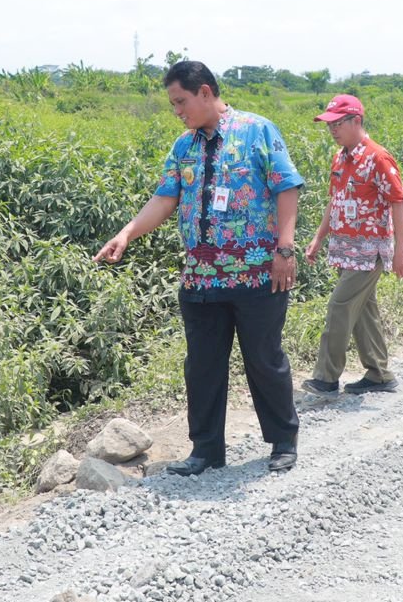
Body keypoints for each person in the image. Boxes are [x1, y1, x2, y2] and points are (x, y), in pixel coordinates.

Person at [94, 60, 305, 475]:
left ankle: (283, 440)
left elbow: (287, 188)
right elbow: (164, 199)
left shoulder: (257, 130)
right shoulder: (183, 146)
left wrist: (285, 250)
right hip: (201, 278)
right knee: (203, 364)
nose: (178, 111)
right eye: (174, 104)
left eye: (181, 102)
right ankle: (206, 450)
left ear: (206, 92)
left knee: (264, 358)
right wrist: (125, 234)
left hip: (258, 273)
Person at [299, 94, 403, 397]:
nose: (332, 130)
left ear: (356, 122)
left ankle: (325, 378)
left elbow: (398, 203)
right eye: (329, 124)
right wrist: (319, 238)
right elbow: (334, 201)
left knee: (339, 307)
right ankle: (379, 374)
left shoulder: (378, 157)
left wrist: (401, 250)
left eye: (337, 123)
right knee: (363, 312)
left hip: (369, 252)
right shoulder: (341, 157)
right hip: (345, 250)